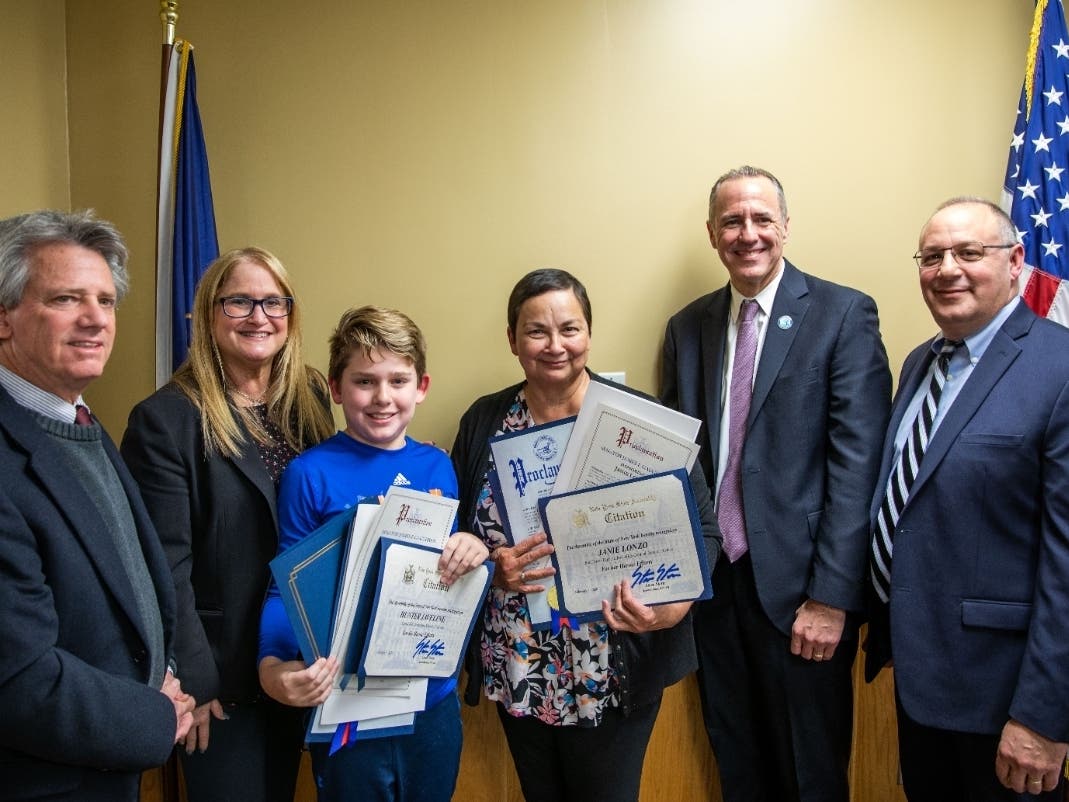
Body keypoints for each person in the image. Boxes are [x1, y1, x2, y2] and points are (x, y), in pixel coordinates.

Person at [660, 166, 891, 802]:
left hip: (802, 596)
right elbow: (678, 463)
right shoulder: (688, 327)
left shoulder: (844, 314)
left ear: (786, 226)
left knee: (808, 775)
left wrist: (831, 598)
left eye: (762, 218)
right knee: (739, 764)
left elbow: (858, 465)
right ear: (712, 234)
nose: (748, 233)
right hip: (715, 589)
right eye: (732, 220)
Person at [452, 268, 719, 802]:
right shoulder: (485, 420)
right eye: (536, 331)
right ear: (512, 340)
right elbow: (459, 532)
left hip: (614, 667)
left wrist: (671, 608)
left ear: (589, 335)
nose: (555, 346)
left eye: (569, 329)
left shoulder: (642, 422)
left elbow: (704, 529)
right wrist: (491, 570)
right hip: (521, 667)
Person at [864, 197, 1069, 801]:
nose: (947, 269)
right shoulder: (919, 364)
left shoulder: (1060, 367)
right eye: (931, 257)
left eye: (968, 253)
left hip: (1006, 701)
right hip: (921, 681)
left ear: (1015, 262)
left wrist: (1043, 715)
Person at [121, 248, 335, 801]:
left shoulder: (309, 396)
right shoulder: (166, 419)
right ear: (209, 314)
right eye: (239, 301)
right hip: (222, 678)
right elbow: (163, 565)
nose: (258, 316)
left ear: (290, 315)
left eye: (272, 302)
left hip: (301, 659)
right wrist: (196, 679)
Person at [0, 209, 195, 801]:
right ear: (4, 318)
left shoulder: (76, 419)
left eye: (106, 301)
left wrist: (161, 673)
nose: (95, 320)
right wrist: (155, 716)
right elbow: (19, 678)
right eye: (66, 298)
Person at [258, 304, 488, 802]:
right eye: (364, 381)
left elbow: (448, 571)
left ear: (421, 386)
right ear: (337, 389)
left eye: (398, 381)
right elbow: (286, 589)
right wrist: (272, 663)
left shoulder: (437, 467)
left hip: (430, 702)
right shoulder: (309, 473)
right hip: (348, 704)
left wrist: (474, 549)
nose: (383, 397)